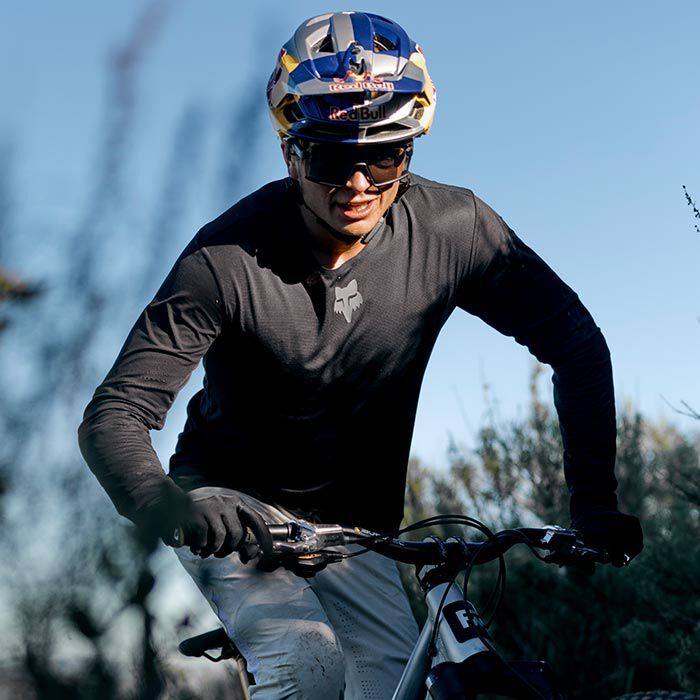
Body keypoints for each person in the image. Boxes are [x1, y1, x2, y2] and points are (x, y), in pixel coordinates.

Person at [79, 11, 643, 699]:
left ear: (410, 149)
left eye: (383, 157)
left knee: (399, 686)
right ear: (290, 153)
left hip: (358, 532)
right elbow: (114, 414)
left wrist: (595, 501)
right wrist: (170, 506)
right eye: (328, 158)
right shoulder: (222, 260)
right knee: (307, 663)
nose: (356, 184)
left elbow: (575, 343)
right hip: (230, 508)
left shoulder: (456, 229)